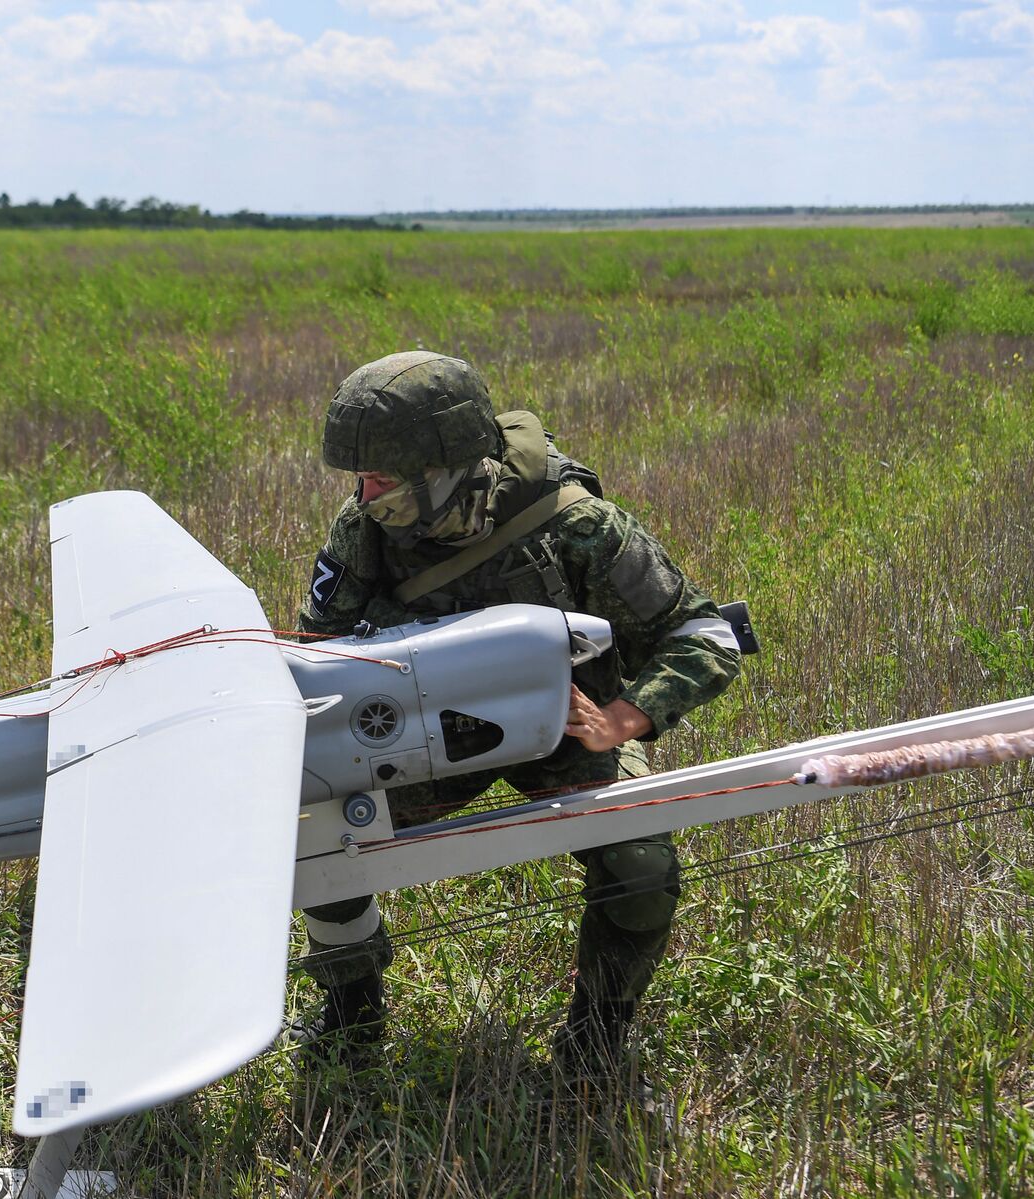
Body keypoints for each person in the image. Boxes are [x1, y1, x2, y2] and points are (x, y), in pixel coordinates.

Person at [295, 350, 741, 1073]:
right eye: (361, 475)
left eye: (383, 477)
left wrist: (624, 719)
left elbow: (705, 634)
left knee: (641, 861)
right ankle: (352, 1017)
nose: (364, 491)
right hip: (423, 735)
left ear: (442, 468)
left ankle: (595, 1042)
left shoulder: (576, 525)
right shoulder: (366, 528)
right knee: (318, 835)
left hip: (563, 732)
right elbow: (318, 653)